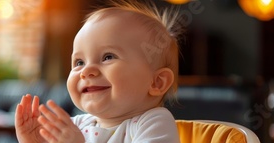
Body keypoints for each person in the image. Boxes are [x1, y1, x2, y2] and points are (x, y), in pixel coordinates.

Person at [15, 0, 182, 142]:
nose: (86, 71)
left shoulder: (153, 123)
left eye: (108, 57)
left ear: (157, 82)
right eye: (79, 62)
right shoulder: (76, 125)